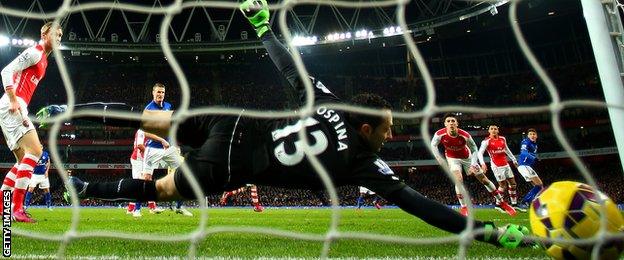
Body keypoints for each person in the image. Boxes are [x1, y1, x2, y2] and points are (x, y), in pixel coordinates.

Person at [45, 0, 532, 248]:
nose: (391, 135)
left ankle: (69, 113)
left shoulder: (328, 102)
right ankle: (88, 188)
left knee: (151, 120)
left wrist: (263, 28)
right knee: (163, 189)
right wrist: (482, 232)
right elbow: (420, 204)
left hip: (231, 121)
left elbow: (287, 67)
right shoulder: (365, 163)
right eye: (385, 129)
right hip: (232, 161)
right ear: (366, 130)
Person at [0, 21, 62, 223]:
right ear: (44, 34)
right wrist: (12, 100)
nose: (59, 38)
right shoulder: (35, 53)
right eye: (56, 34)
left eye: (61, 36)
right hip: (13, 105)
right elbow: (6, 71)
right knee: (35, 151)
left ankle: (3, 204)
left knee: (22, 162)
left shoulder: (44, 59)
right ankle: (17, 209)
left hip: (16, 106)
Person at [430, 114, 516, 217]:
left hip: (468, 158)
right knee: (458, 179)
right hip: (452, 158)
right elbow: (433, 145)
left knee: (484, 180)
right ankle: (464, 207)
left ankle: (502, 202)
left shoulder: (465, 135)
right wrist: (439, 159)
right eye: (448, 121)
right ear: (445, 124)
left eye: (453, 121)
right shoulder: (439, 134)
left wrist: (473, 163)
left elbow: (474, 149)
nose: (451, 123)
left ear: (457, 123)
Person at [141, 83, 192, 217]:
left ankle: (179, 206)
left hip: (168, 148)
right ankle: (137, 208)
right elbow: (144, 133)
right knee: (146, 179)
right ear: (153, 93)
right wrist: (161, 140)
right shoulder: (148, 110)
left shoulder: (168, 106)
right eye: (158, 92)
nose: (160, 95)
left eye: (162, 92)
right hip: (152, 149)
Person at [477, 124, 525, 213]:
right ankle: (498, 204)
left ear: (498, 131)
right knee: (503, 185)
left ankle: (514, 204)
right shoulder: (486, 141)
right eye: (492, 129)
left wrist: (514, 159)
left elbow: (506, 149)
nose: (494, 130)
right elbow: (480, 153)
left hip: (506, 164)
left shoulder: (503, 139)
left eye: (495, 129)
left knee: (513, 184)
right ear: (489, 131)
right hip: (496, 166)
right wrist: (483, 164)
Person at [517, 128, 543, 208]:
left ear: (536, 136)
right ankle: (524, 202)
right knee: (539, 185)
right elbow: (523, 152)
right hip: (524, 166)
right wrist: (533, 157)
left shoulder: (535, 145)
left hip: (527, 167)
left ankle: (532, 202)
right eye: (530, 134)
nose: (532, 135)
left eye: (534, 134)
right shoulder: (526, 142)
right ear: (528, 136)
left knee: (538, 186)